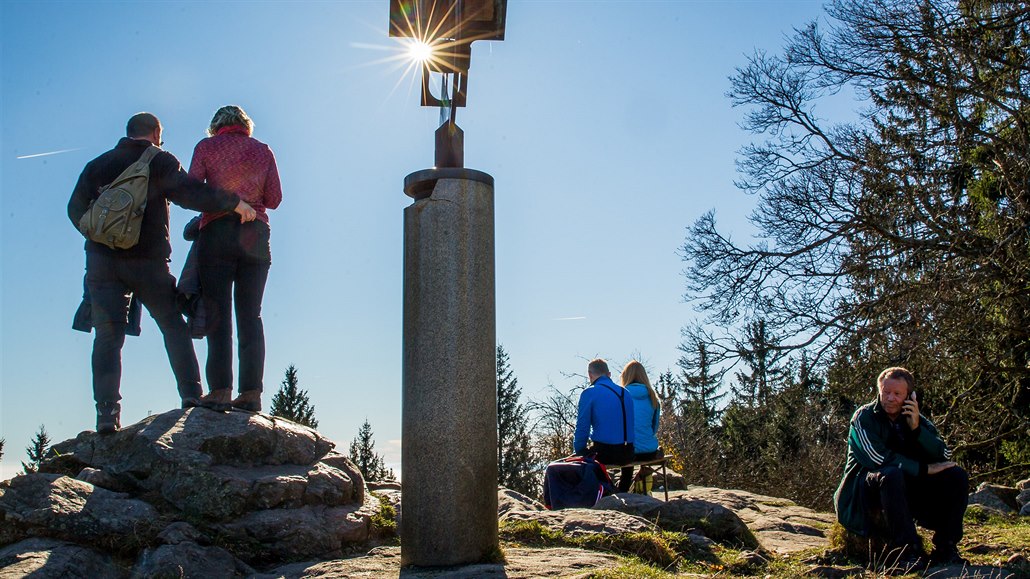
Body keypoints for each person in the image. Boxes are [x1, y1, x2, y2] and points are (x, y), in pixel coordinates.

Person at [68, 112, 256, 433]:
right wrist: (231, 202)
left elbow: (75, 209)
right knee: (172, 325)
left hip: (101, 263)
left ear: (128, 132)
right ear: (156, 132)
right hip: (148, 262)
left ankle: (106, 414)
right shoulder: (158, 160)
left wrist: (105, 238)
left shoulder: (96, 165)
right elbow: (189, 193)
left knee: (108, 337)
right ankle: (191, 396)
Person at [189, 105, 282, 413]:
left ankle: (219, 390)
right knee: (251, 315)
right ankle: (252, 393)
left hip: (216, 231)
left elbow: (192, 192)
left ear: (216, 126)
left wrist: (225, 198)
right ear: (246, 125)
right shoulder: (262, 150)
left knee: (218, 311)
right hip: (255, 233)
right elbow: (274, 200)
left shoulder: (206, 147)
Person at [834, 367, 969, 567]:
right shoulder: (863, 418)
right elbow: (876, 458)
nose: (890, 398)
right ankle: (907, 551)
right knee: (891, 474)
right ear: (879, 391)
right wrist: (922, 469)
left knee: (956, 475)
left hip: (905, 486)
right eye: (886, 392)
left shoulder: (918, 420)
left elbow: (944, 455)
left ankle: (946, 547)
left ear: (909, 395)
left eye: (897, 394)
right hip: (864, 490)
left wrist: (916, 430)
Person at [573, 358, 635, 467]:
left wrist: (579, 450)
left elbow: (583, 427)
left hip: (605, 453)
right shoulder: (626, 393)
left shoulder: (589, 392)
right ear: (609, 374)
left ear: (590, 375)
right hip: (628, 452)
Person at [619, 360, 662, 493]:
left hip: (629, 451)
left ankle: (623, 492)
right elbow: (654, 427)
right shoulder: (652, 396)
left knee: (626, 468)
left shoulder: (620, 395)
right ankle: (644, 489)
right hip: (649, 452)